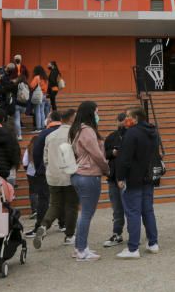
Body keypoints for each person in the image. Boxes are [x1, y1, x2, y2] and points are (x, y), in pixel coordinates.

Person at [116, 105, 161, 258]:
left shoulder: (132, 133)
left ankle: (133, 248)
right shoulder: (153, 131)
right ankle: (153, 242)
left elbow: (125, 159)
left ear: (135, 118)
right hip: (148, 176)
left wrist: (120, 177)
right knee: (147, 210)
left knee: (133, 212)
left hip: (133, 177)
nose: (125, 119)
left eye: (128, 116)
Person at [69, 101, 109, 261]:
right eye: (96, 111)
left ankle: (80, 246)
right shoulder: (88, 131)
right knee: (86, 213)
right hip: (89, 174)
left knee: (84, 212)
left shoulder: (77, 129)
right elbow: (97, 154)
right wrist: (106, 168)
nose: (98, 115)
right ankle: (81, 249)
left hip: (79, 174)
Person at [34, 109, 79, 249]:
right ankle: (69, 235)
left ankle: (44, 225)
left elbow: (45, 158)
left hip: (52, 175)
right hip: (69, 175)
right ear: (71, 119)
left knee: (55, 204)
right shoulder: (74, 134)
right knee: (71, 206)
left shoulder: (50, 135)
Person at [24, 111, 62, 239]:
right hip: (64, 170)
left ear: (50, 119)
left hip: (46, 171)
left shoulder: (44, 134)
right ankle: (64, 224)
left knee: (44, 199)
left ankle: (40, 225)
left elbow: (36, 153)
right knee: (62, 197)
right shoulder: (66, 132)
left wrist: (40, 168)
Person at [104, 112, 128, 246]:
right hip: (113, 177)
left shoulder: (131, 136)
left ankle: (134, 233)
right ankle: (117, 233)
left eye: (124, 121)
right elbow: (104, 154)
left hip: (128, 177)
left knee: (131, 208)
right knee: (117, 209)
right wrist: (112, 153)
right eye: (120, 121)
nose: (122, 123)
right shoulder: (112, 137)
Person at [30, 66, 49, 132]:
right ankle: (42, 126)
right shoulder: (45, 78)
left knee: (37, 111)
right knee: (42, 111)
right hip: (44, 95)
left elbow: (32, 86)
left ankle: (38, 127)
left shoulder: (37, 77)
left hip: (38, 95)